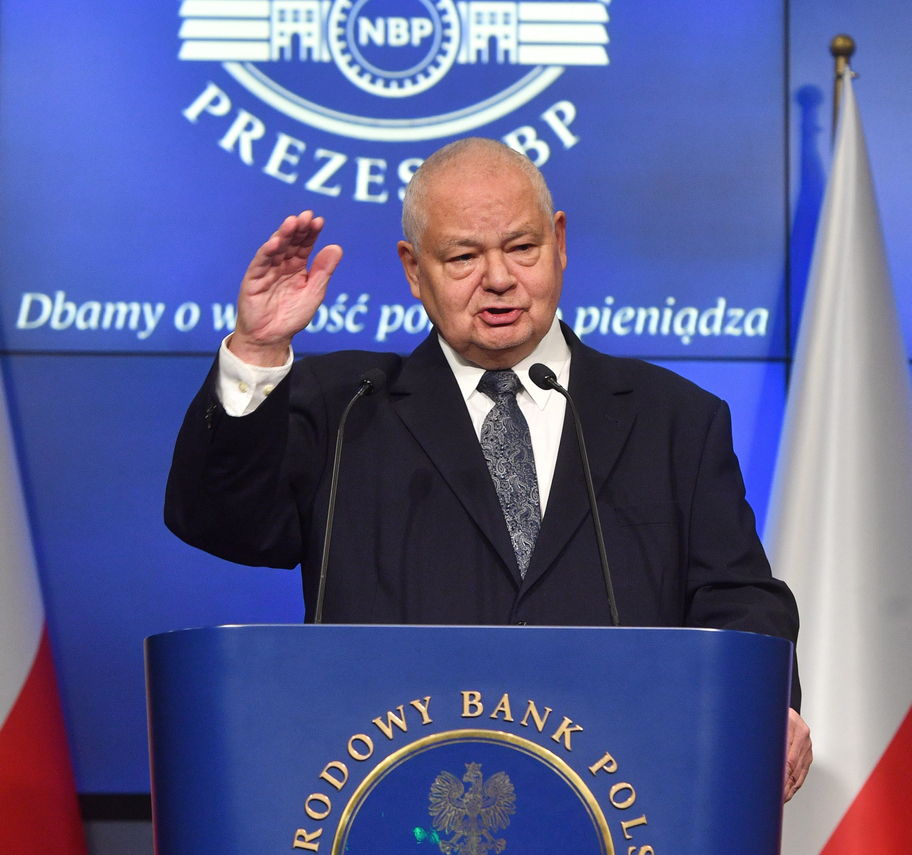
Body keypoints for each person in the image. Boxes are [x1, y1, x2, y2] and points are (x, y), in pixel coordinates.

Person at [165, 138, 812, 799]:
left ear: (560, 242)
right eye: (464, 257)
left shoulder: (673, 418)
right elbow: (224, 521)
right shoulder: (346, 409)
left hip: (627, 803)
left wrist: (762, 698)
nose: (499, 278)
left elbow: (738, 596)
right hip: (394, 804)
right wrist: (258, 349)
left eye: (522, 247)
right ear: (414, 269)